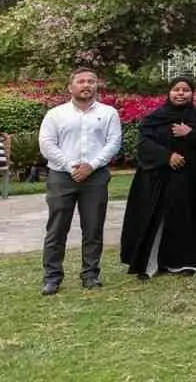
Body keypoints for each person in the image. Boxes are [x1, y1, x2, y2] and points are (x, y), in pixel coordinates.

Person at [120, 75, 196, 279]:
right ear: (169, 92)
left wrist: (191, 133)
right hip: (158, 180)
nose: (181, 93)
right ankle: (153, 263)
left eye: (185, 90)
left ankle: (186, 263)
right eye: (176, 89)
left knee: (188, 220)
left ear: (192, 93)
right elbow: (143, 144)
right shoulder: (154, 118)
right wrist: (167, 157)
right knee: (156, 220)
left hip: (191, 181)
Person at [37, 67, 123, 295]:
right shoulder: (56, 114)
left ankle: (90, 274)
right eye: (81, 81)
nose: (87, 85)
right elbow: (46, 144)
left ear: (97, 86)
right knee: (57, 228)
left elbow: (113, 143)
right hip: (61, 177)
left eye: (91, 81)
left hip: (95, 177)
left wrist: (91, 166)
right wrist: (70, 166)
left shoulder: (108, 113)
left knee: (93, 228)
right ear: (70, 87)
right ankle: (52, 277)